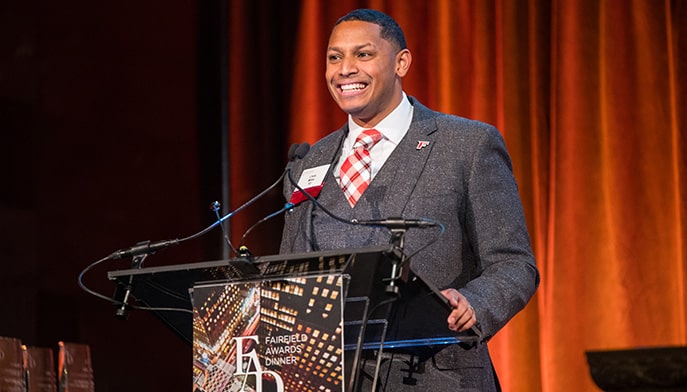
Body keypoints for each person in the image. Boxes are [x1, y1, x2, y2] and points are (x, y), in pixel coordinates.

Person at [280, 8, 539, 391]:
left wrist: (473, 303)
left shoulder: (466, 145)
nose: (345, 69)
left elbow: (514, 264)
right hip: (331, 378)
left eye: (363, 54)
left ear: (402, 62)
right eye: (334, 57)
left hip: (436, 373)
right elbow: (289, 277)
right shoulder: (309, 161)